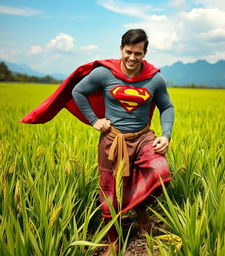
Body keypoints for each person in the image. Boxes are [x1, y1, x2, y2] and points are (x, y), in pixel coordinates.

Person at [71, 29, 174, 255]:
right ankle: (113, 240)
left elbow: (167, 106)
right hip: (112, 140)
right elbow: (78, 91)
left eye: (138, 53)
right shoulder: (104, 74)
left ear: (145, 53)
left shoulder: (155, 78)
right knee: (109, 191)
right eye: (129, 52)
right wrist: (94, 120)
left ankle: (141, 212)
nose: (132, 58)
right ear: (121, 49)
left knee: (160, 170)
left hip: (144, 137)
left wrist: (165, 135)